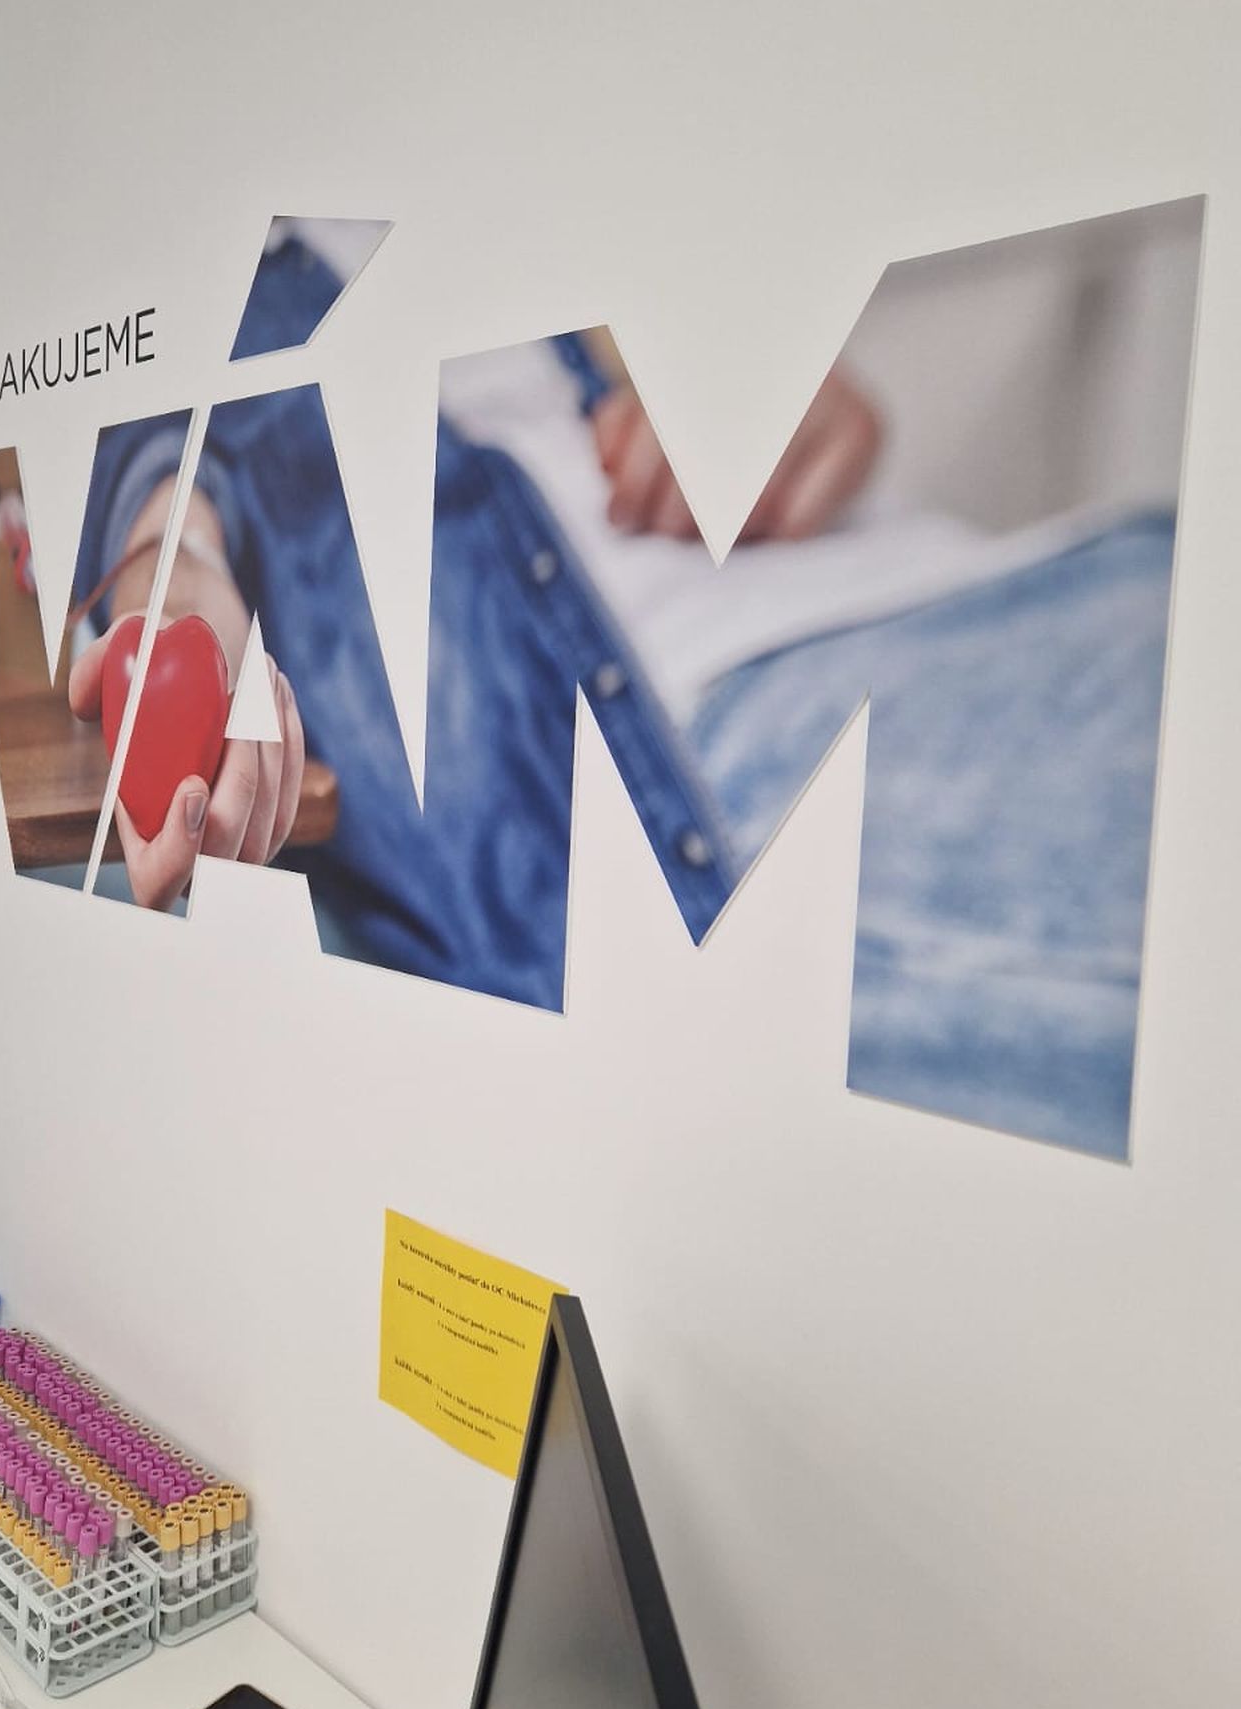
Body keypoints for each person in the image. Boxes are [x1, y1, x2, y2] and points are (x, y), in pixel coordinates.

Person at [67, 224, 1175, 1158]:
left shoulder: (519, 203)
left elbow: (785, 396)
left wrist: (775, 401)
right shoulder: (193, 288)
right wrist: (177, 605)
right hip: (723, 729)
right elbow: (163, 516)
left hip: (1006, 576)